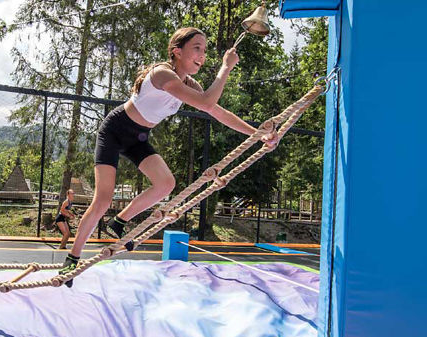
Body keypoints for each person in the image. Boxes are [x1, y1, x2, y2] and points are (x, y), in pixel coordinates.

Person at [58, 27, 277, 287]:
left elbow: (217, 111)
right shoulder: (163, 74)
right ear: (177, 51)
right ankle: (71, 259)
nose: (203, 55)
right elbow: (207, 102)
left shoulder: (188, 83)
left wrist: (257, 135)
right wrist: (225, 68)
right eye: (197, 48)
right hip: (115, 130)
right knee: (103, 199)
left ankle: (120, 220)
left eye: (204, 50)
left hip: (138, 136)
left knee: (166, 185)